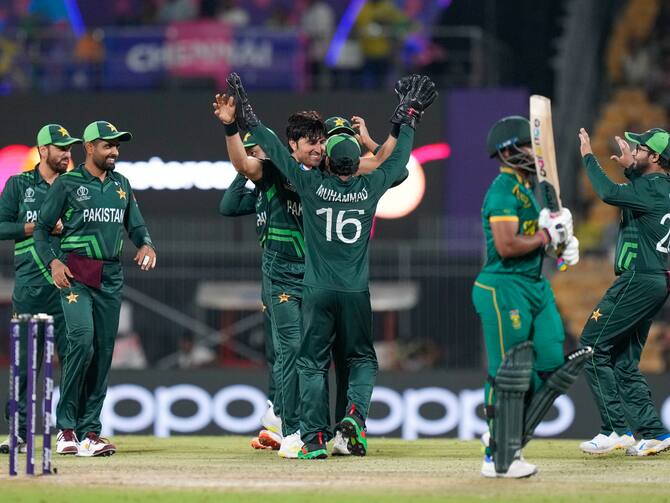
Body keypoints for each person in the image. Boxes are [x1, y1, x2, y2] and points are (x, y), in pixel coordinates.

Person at [225, 72, 437, 459]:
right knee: (360, 359)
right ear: (357, 162)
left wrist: (248, 118)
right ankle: (354, 417)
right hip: (356, 292)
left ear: (328, 157)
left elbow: (270, 145)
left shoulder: (310, 186)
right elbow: (400, 162)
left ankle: (315, 439)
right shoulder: (370, 185)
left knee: (311, 363)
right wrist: (407, 118)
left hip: (316, 290)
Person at [472, 116, 590, 478]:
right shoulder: (503, 191)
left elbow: (540, 239)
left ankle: (506, 436)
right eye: (528, 146)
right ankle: (496, 456)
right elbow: (507, 246)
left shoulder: (530, 189)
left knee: (554, 365)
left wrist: (562, 248)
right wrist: (544, 237)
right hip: (502, 286)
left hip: (534, 286)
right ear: (508, 150)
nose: (534, 153)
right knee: (509, 372)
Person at [34, 120, 156, 457]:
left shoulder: (122, 184)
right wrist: (53, 263)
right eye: (107, 145)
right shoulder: (69, 183)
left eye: (117, 145)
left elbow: (137, 226)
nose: (115, 151)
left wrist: (146, 245)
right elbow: (42, 230)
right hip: (75, 273)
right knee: (82, 342)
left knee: (103, 352)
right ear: (89, 147)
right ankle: (67, 428)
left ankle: (90, 432)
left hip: (111, 275)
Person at [213, 101, 325, 459]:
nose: (319, 149)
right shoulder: (271, 174)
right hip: (280, 273)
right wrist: (236, 136)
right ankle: (288, 424)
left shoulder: (324, 175)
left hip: (317, 275)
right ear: (291, 145)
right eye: (311, 142)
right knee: (286, 350)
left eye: (321, 142)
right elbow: (230, 201)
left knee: (310, 354)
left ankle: (310, 425)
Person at [577, 127, 670, 456]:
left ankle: (615, 429)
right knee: (624, 361)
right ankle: (653, 433)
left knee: (590, 346)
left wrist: (588, 155)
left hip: (639, 279)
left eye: (641, 148)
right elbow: (638, 195)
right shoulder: (662, 188)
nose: (634, 149)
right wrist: (631, 167)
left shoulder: (652, 188)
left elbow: (606, 192)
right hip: (655, 281)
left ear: (655, 157)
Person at [0, 124, 81, 454]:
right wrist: (36, 226)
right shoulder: (19, 185)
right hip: (31, 287)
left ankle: (69, 432)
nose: (66, 154)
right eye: (60, 148)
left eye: (70, 149)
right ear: (43, 150)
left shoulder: (76, 186)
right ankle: (18, 433)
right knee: (24, 364)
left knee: (74, 359)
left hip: (69, 288)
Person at [218, 134, 283, 451]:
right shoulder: (258, 192)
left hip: (290, 274)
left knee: (288, 352)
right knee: (274, 353)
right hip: (269, 276)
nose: (249, 156)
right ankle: (277, 417)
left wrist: (261, 164)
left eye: (254, 151)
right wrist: (243, 169)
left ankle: (286, 418)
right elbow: (227, 206)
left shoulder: (281, 185)